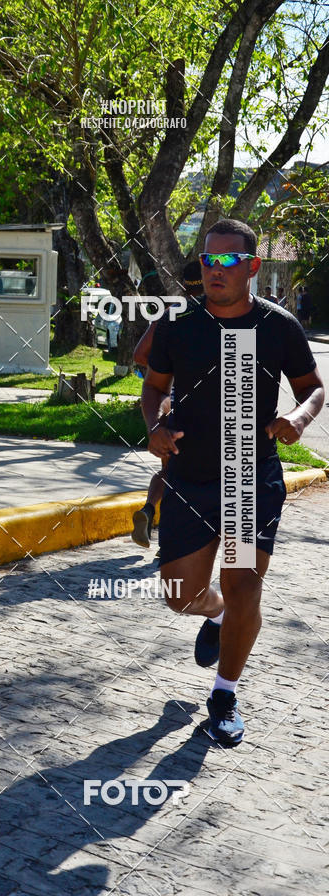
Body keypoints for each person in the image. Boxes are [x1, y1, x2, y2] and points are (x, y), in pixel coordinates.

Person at [142, 218, 324, 746]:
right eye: (207, 260)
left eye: (226, 261)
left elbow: (313, 387)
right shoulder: (179, 324)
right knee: (180, 595)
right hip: (189, 475)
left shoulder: (278, 325)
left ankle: (224, 692)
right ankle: (215, 615)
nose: (214, 269)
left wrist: (300, 419)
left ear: (251, 266)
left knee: (244, 583)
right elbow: (154, 389)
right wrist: (154, 427)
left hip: (251, 476)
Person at [131, 261, 203, 549]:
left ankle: (149, 509)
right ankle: (173, 545)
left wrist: (168, 367)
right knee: (196, 478)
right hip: (200, 410)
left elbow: (139, 355)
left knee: (170, 469)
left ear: (183, 284)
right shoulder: (218, 314)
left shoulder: (171, 313)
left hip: (167, 405)